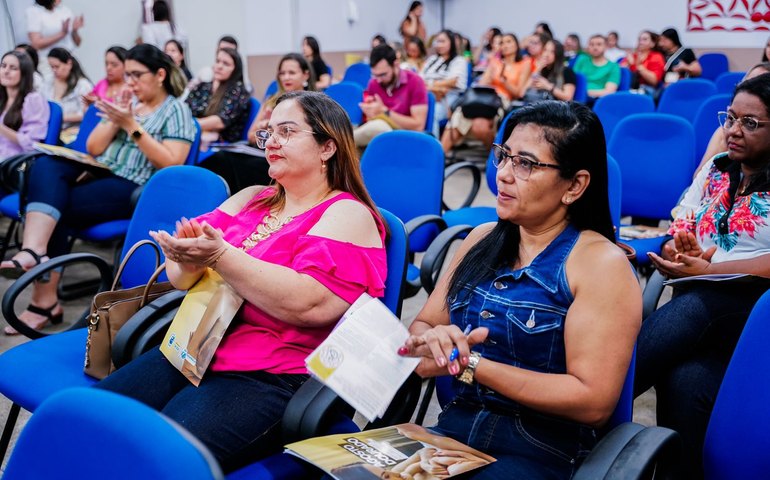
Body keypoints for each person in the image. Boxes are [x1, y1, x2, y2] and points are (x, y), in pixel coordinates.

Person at [95, 90, 388, 473]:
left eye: (287, 131)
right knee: (93, 423)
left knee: (154, 458)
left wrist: (219, 256)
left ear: (327, 147)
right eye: (268, 133)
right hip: (195, 350)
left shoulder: (347, 212)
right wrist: (183, 258)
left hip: (269, 376)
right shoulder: (253, 198)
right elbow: (182, 280)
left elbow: (308, 303)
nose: (272, 142)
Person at [399, 101, 641, 479]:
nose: (504, 175)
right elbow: (424, 323)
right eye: (503, 156)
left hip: (541, 451)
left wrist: (473, 365)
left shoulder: (600, 264)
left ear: (575, 186)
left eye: (525, 164)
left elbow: (592, 400)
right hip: (452, 434)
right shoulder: (480, 239)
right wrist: (433, 340)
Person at [1, 44, 194, 335]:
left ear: (160, 75)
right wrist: (116, 119)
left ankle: (44, 299)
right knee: (44, 165)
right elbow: (94, 147)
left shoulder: (176, 110)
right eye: (127, 75)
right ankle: (34, 250)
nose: (129, 82)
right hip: (99, 173)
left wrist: (130, 125)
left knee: (58, 206)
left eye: (136, 75)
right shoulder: (127, 101)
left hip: (135, 185)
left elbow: (171, 162)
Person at [635, 74, 770, 478]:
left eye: (750, 123)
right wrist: (679, 249)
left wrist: (711, 270)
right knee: (686, 381)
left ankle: (589, 407)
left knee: (696, 307)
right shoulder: (716, 169)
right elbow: (683, 222)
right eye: (730, 118)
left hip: (756, 309)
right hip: (700, 299)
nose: (733, 130)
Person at [198, 53, 315, 193]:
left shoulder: (312, 104)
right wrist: (264, 129)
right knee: (219, 158)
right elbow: (251, 136)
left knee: (231, 162)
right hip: (262, 150)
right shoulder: (271, 100)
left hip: (286, 156)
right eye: (282, 73)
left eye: (291, 73)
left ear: (305, 75)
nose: (286, 77)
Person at [441, 33, 529, 155]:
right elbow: (482, 83)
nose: (505, 45)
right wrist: (489, 76)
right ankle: (436, 160)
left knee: (479, 125)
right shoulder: (495, 62)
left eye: (509, 42)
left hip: (502, 99)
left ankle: (494, 158)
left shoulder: (524, 63)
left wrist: (503, 81)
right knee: (457, 119)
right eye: (502, 42)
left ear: (517, 45)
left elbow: (519, 92)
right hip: (485, 96)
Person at [695, 63, 770, 175]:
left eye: (750, 123)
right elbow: (699, 176)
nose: (733, 131)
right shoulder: (725, 131)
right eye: (749, 83)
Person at [354, 44, 428, 148]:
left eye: (383, 74)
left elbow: (418, 126)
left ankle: (343, 140)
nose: (378, 79)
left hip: (403, 135)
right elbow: (371, 120)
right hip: (376, 137)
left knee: (380, 128)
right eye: (375, 75)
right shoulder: (374, 83)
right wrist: (370, 111)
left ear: (396, 64)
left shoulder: (415, 82)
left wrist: (385, 111)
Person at [185, 47, 250, 144]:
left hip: (223, 145)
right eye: (218, 61)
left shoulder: (238, 90)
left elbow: (220, 121)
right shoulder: (203, 86)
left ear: (235, 70)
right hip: (197, 136)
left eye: (226, 64)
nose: (219, 66)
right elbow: (184, 108)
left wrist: (188, 124)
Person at [0, 50, 50, 161]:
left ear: (24, 73)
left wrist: (1, 128)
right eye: (3, 66)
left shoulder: (33, 100)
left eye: (13, 68)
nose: (6, 71)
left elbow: (32, 144)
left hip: (13, 160)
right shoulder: (2, 97)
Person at [421, 29, 468, 133]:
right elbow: (419, 79)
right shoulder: (432, 59)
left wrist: (429, 85)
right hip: (426, 95)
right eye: (437, 41)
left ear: (451, 42)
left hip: (448, 98)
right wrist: (435, 87)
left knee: (432, 113)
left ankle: (433, 146)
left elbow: (452, 82)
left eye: (442, 41)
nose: (439, 45)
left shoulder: (459, 61)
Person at [25, 0, 83, 81]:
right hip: (48, 63)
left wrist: (74, 30)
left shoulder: (65, 10)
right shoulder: (34, 11)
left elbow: (78, 43)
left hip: (67, 60)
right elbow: (36, 43)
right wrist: (61, 34)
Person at [42, 47, 92, 131]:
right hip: (49, 128)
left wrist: (59, 118)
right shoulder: (48, 80)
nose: (54, 70)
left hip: (72, 130)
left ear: (69, 64)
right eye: (51, 67)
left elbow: (86, 113)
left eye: (57, 67)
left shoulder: (82, 85)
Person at [521, 39, 577, 103]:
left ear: (558, 54)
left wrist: (548, 86)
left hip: (556, 109)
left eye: (552, 52)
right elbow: (522, 93)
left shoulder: (567, 71)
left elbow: (568, 98)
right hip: (538, 105)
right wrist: (537, 69)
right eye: (545, 50)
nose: (546, 54)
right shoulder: (542, 70)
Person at [573, 35, 620, 103]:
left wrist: (583, 92)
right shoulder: (582, 60)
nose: (595, 47)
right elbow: (572, 80)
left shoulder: (614, 66)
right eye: (591, 44)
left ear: (606, 47)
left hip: (597, 100)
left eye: (599, 44)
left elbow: (609, 91)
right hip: (576, 98)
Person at [621, 31, 665, 95]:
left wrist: (635, 65)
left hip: (647, 89)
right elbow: (620, 71)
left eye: (645, 39)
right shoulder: (633, 55)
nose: (640, 42)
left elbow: (654, 81)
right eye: (639, 39)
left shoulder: (656, 57)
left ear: (653, 43)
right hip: (628, 88)